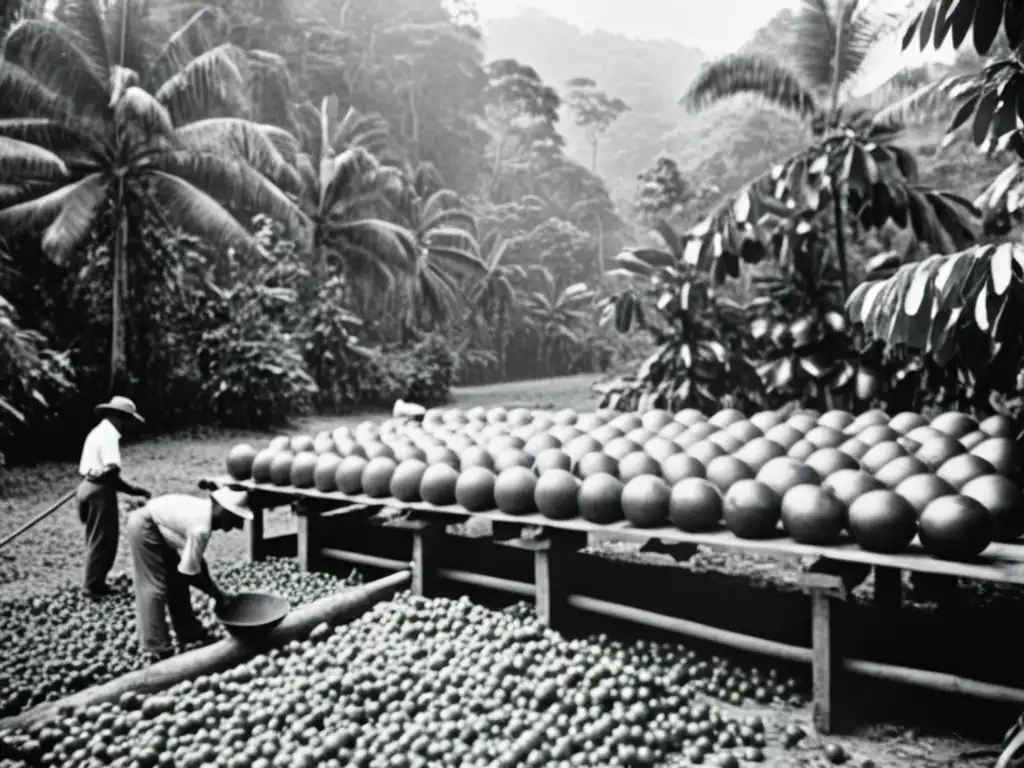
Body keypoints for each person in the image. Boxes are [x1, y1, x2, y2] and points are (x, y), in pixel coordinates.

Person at [126, 487, 250, 663]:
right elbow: (191, 573)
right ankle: (155, 648)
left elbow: (196, 564)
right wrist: (216, 594)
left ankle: (189, 633)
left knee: (176, 582)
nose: (235, 526)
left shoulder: (203, 514)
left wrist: (217, 593)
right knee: (153, 586)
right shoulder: (201, 528)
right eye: (236, 518)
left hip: (159, 529)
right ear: (222, 510)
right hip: (145, 526)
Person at [77, 395, 151, 600]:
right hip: (99, 492)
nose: (128, 427)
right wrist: (134, 490)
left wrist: (133, 489)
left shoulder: (97, 432)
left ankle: (96, 583)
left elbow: (95, 471)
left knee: (96, 538)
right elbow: (111, 471)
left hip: (87, 487)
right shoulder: (109, 435)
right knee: (103, 540)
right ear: (121, 418)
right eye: (128, 422)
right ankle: (92, 587)